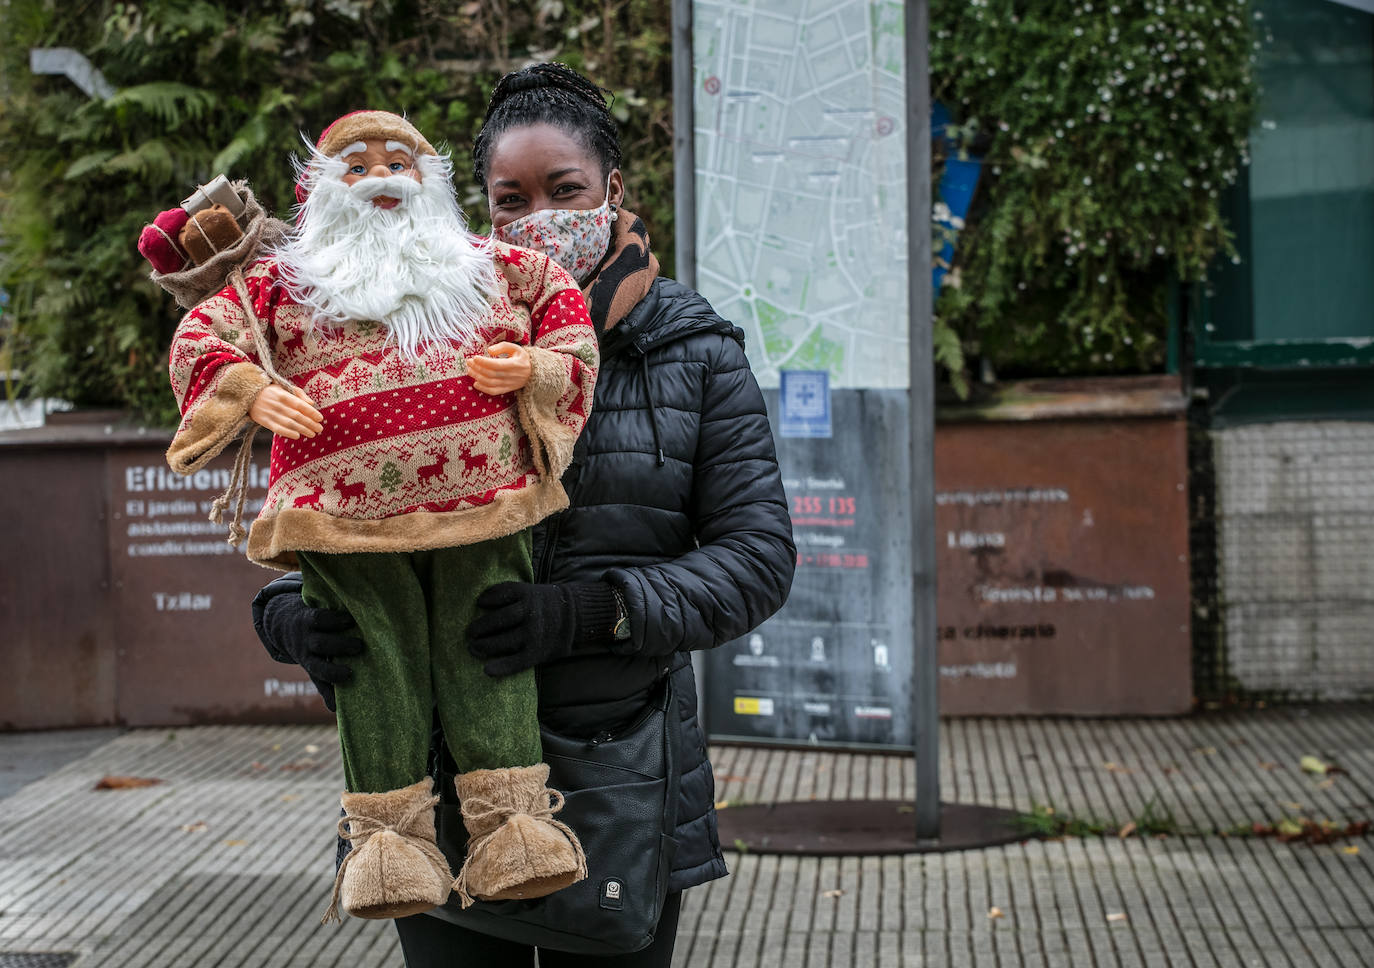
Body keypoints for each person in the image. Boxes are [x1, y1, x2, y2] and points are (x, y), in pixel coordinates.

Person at [252, 64, 795, 966]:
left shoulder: (694, 355)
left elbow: (758, 557)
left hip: (621, 778)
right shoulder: (407, 328)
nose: (536, 216)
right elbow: (317, 509)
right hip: (444, 784)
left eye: (564, 190)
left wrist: (592, 612)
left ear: (612, 190)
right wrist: (291, 621)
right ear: (479, 209)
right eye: (510, 199)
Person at [162, 110, 598, 922]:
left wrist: (536, 367)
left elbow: (566, 317)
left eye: (399, 162)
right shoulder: (280, 285)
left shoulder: (495, 268)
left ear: (430, 182)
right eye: (355, 168)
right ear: (321, 192)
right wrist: (250, 388)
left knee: (486, 653)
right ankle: (388, 844)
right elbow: (200, 335)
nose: (381, 177)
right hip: (341, 519)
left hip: (483, 503)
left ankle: (514, 830)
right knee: (372, 663)